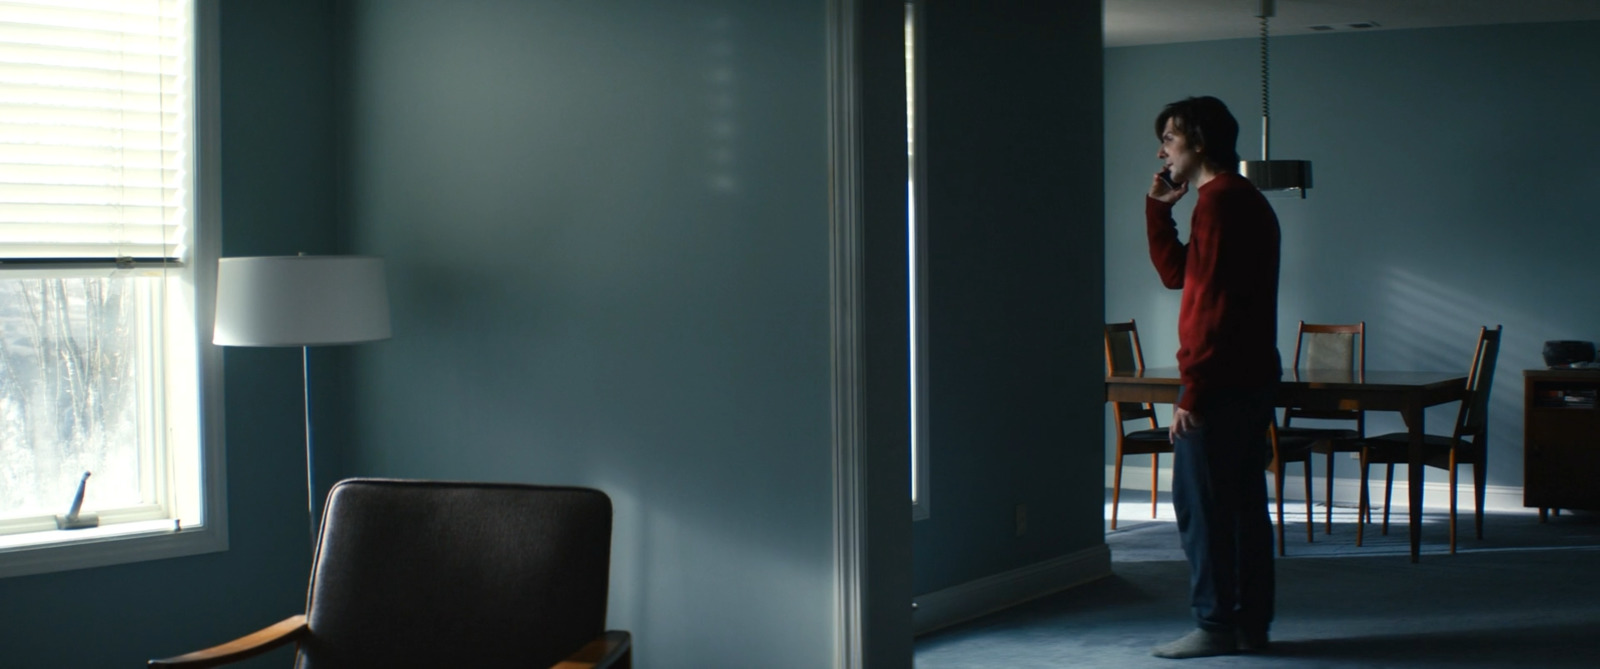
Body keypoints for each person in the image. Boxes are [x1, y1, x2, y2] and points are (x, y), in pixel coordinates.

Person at [1143, 96, 1282, 659]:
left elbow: (1212, 305)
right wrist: (1158, 211)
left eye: (1170, 138)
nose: (1162, 150)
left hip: (1221, 383)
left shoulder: (1222, 202)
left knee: (1202, 510)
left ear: (1199, 141)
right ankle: (1248, 625)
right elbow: (1181, 275)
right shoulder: (1231, 201)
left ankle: (1216, 624)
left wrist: (1192, 389)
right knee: (1243, 508)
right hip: (1247, 378)